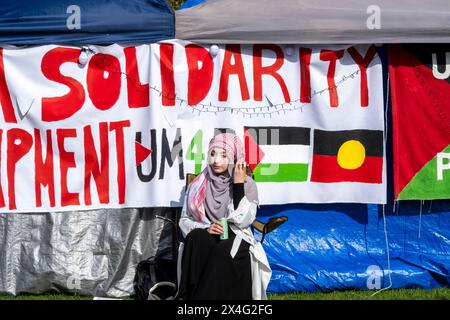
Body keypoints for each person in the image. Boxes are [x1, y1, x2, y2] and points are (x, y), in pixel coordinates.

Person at [177, 132, 271, 300]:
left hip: (236, 234)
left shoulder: (247, 184)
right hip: (209, 232)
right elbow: (184, 220)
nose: (216, 160)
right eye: (212, 154)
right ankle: (186, 296)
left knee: (223, 250)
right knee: (196, 238)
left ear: (235, 158)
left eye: (224, 155)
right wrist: (206, 228)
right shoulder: (198, 184)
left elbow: (243, 221)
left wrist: (238, 184)